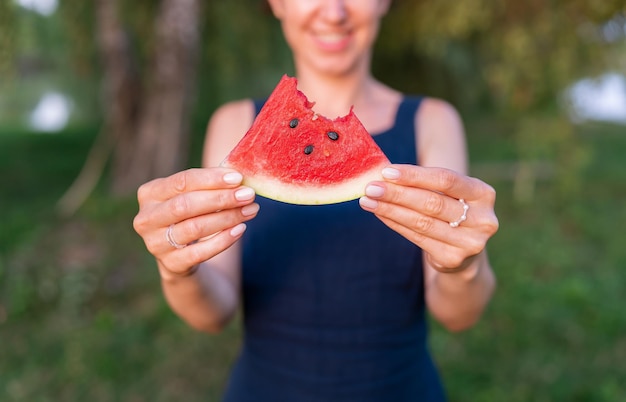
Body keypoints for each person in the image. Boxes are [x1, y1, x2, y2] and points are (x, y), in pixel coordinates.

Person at [133, 0, 499, 400]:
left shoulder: (433, 121)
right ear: (277, 3)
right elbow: (213, 314)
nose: (334, 11)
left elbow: (459, 315)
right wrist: (177, 270)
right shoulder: (233, 125)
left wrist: (464, 266)